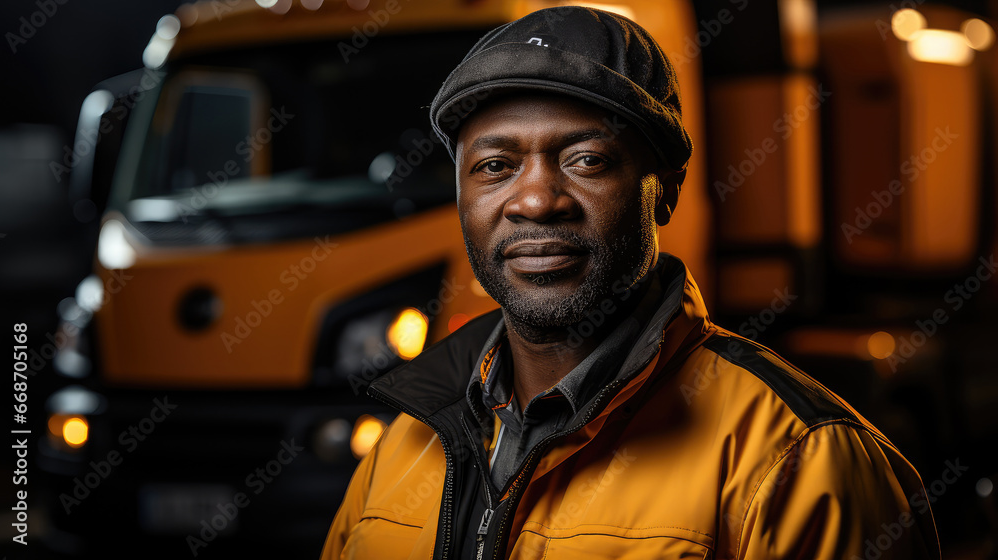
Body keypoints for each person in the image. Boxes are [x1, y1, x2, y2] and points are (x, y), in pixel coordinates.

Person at [321, 7, 941, 559]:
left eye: (586, 159)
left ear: (665, 188)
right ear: (462, 195)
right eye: (494, 167)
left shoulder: (801, 461)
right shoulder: (406, 443)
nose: (535, 199)